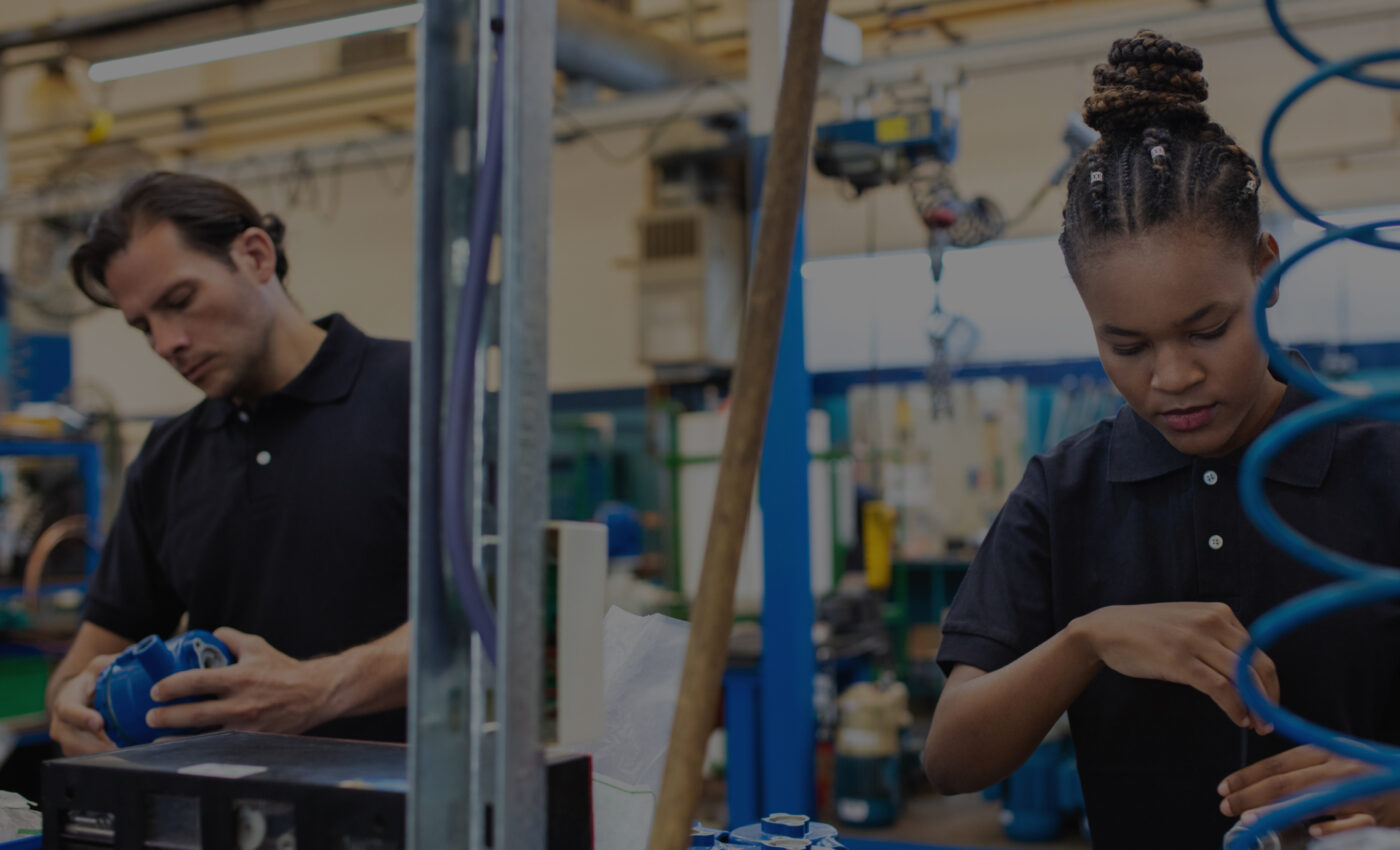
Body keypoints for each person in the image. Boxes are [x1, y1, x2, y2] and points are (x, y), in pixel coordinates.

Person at [922, 31, 1400, 849]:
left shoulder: (1379, 461)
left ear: (1268, 272)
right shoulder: (1066, 493)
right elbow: (952, 759)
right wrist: (1088, 639)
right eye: (1128, 347)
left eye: (1206, 330)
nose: (1171, 377)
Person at [44, 172, 411, 756]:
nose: (166, 343)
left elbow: (492, 620)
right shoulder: (167, 460)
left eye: (180, 301)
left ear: (255, 255)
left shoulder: (420, 398)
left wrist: (319, 688)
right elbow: (83, 663)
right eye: (143, 326)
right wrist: (72, 704)